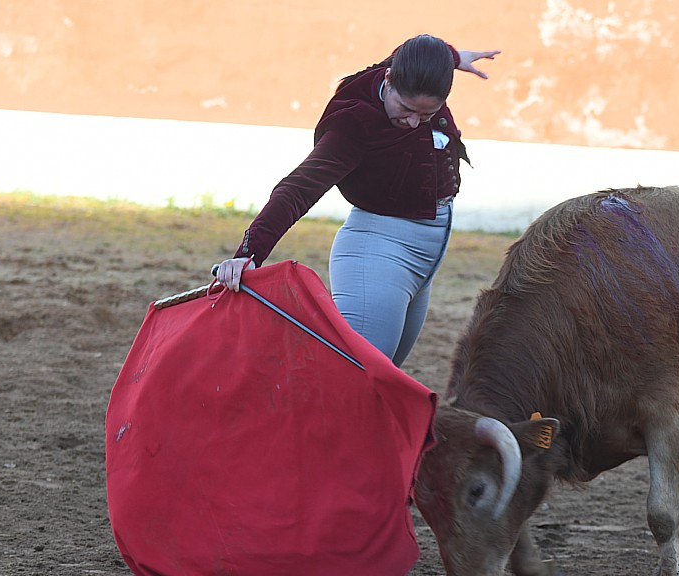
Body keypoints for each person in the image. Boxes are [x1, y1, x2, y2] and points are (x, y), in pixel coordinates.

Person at [212, 34, 500, 368]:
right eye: (405, 109)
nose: (412, 122)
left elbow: (417, 47)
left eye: (426, 115)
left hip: (421, 258)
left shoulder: (410, 73)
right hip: (379, 254)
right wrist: (248, 253)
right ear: (389, 78)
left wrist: (451, 57)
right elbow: (298, 189)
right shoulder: (355, 122)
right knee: (356, 378)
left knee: (382, 381)